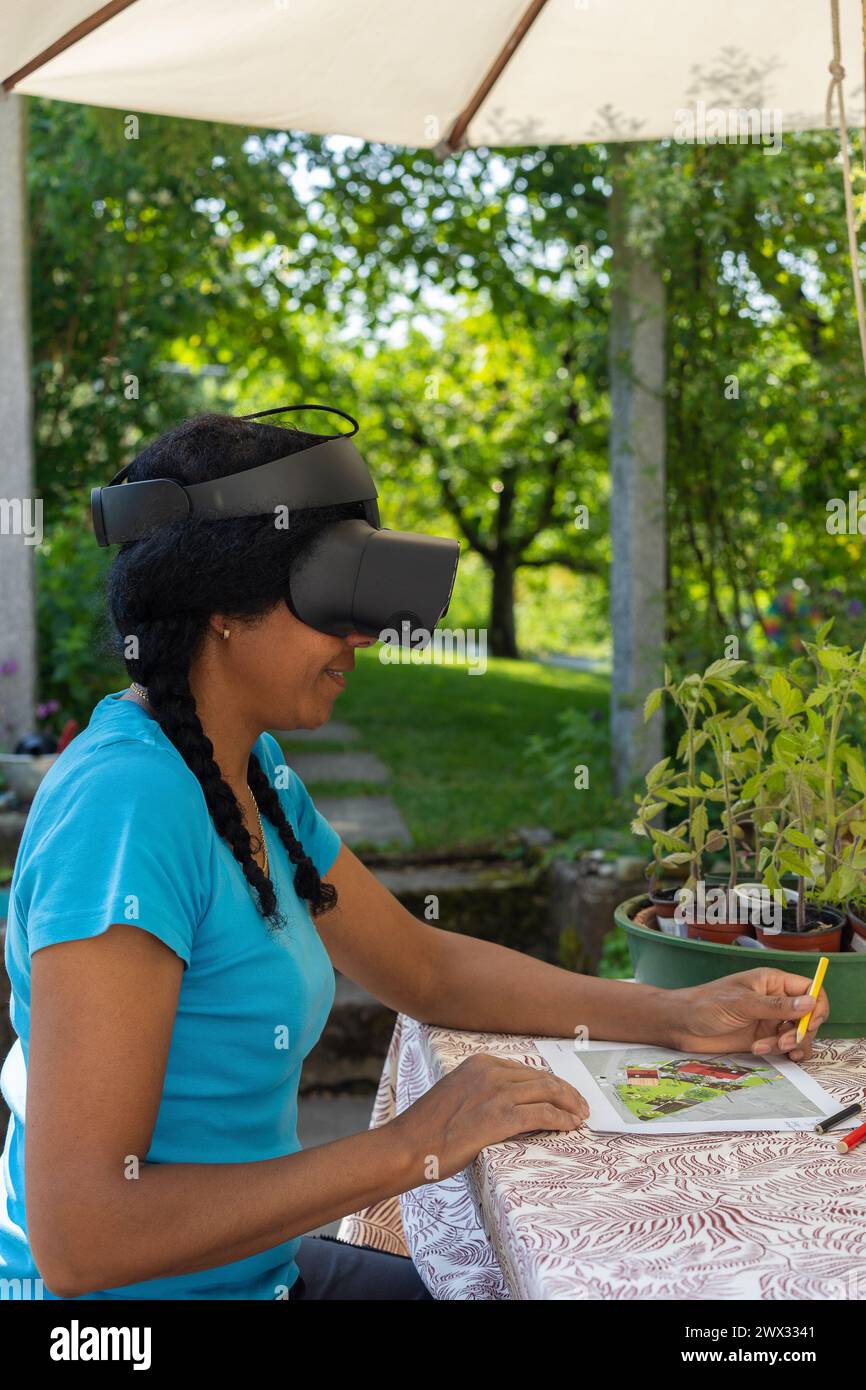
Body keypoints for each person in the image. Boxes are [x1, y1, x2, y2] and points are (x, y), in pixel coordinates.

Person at [0, 412, 829, 1302]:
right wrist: (410, 1146)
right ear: (221, 606)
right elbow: (83, 1237)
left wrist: (672, 1014)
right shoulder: (128, 808)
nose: (365, 635)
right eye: (331, 597)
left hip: (256, 1279)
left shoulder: (245, 771)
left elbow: (424, 967)